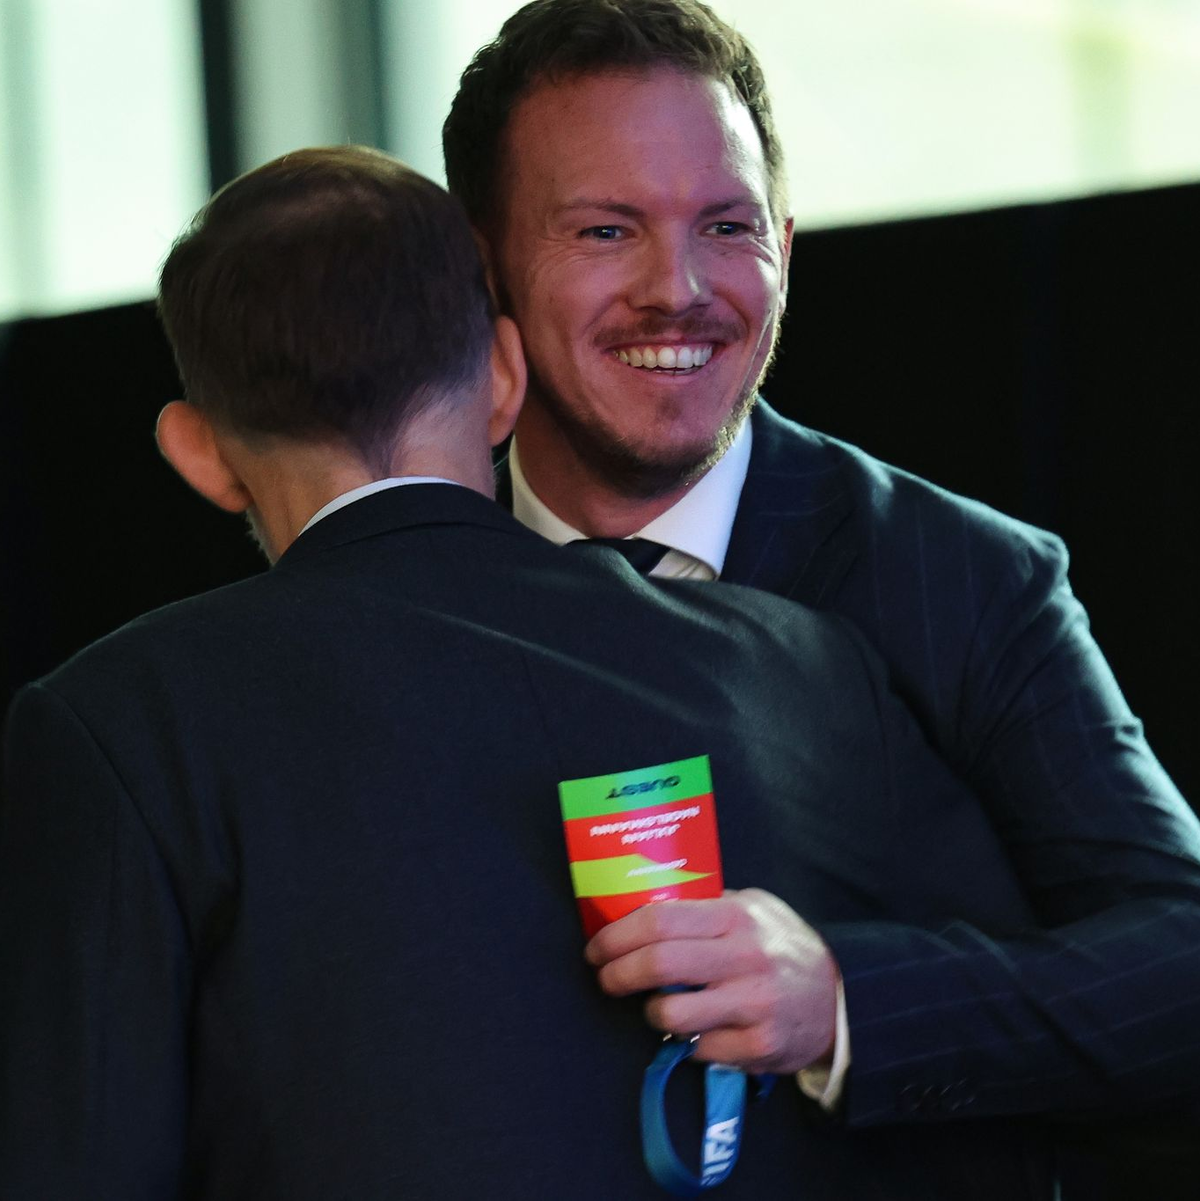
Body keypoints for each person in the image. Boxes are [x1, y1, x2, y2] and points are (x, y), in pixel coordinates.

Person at [0, 146, 1090, 1198]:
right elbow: (993, 1111)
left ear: (196, 450)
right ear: (505, 376)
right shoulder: (795, 658)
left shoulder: (112, 727)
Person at [442, 0, 1200, 1184]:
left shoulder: (967, 578)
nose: (677, 287)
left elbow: (1184, 965)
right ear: (478, 266)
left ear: (784, 251)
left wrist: (847, 999)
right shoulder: (397, 599)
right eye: (603, 230)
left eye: (728, 225)